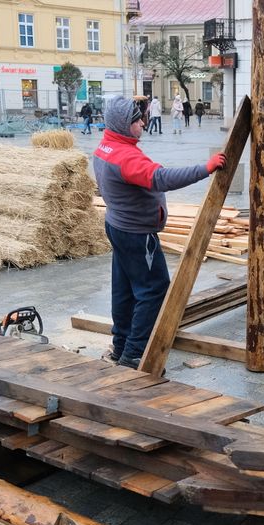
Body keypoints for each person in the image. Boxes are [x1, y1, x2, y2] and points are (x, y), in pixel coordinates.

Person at [93, 96, 227, 368]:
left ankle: (121, 346)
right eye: (137, 120)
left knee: (126, 290)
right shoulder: (125, 157)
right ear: (123, 124)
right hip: (137, 234)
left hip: (119, 226)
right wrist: (206, 168)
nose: (143, 123)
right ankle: (135, 355)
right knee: (153, 291)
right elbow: (161, 179)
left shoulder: (107, 146)